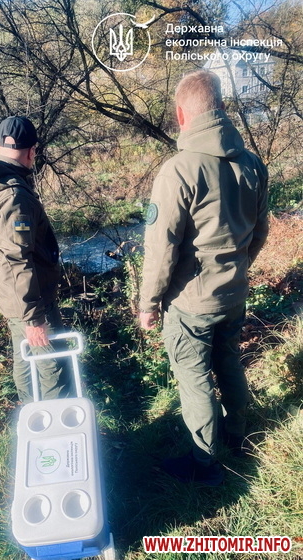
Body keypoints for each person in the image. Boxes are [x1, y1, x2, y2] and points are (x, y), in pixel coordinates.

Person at [139, 70, 269, 486]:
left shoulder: (179, 170)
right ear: (220, 108)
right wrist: (238, 269)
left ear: (182, 114)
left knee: (194, 380)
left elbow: (161, 250)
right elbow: (260, 230)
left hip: (191, 302)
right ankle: (237, 437)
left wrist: (148, 304)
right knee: (228, 361)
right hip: (233, 293)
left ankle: (205, 463)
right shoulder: (252, 164)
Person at [0, 115, 73, 404]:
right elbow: (18, 259)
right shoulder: (15, 197)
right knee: (52, 365)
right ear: (32, 151)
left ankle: (31, 414)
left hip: (10, 296)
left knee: (24, 357)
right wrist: (34, 318)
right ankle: (54, 420)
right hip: (31, 300)